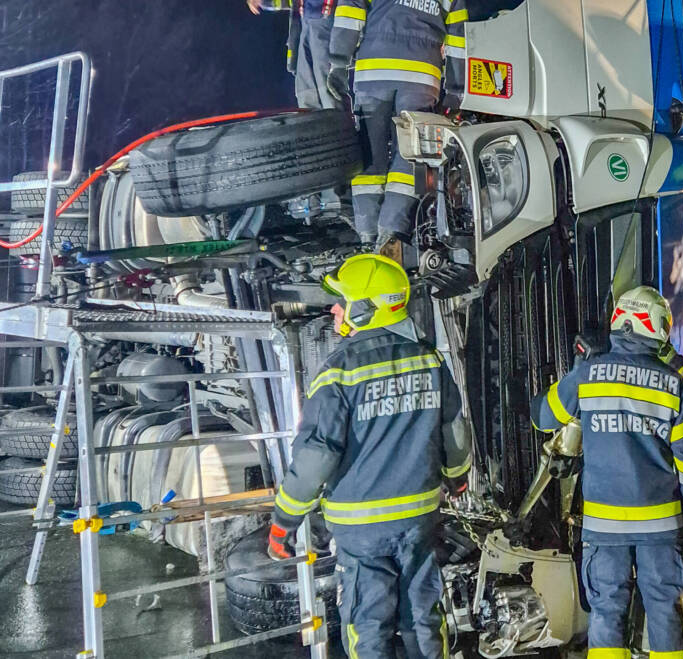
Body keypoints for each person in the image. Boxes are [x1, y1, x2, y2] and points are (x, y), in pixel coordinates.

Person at [267, 253, 472, 658]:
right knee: (424, 618)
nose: (334, 309)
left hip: (361, 530)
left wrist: (284, 522)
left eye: (342, 301)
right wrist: (457, 476)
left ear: (364, 310)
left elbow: (316, 458)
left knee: (368, 625)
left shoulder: (338, 373)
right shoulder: (429, 360)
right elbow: (454, 431)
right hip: (419, 519)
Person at [531, 286, 683, 659]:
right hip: (660, 528)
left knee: (607, 614)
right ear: (658, 328)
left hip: (604, 527)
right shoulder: (673, 385)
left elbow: (543, 417)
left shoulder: (589, 375)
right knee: (665, 611)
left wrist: (577, 372)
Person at [328, 0, 468, 249]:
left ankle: (367, 232)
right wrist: (456, 90)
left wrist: (339, 62)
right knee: (412, 153)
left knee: (370, 152)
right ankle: (392, 230)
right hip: (422, 76)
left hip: (374, 70)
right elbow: (460, 38)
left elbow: (350, 12)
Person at [247, 0, 339, 110]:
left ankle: (337, 122)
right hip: (305, 23)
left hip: (326, 21)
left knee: (327, 87)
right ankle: (311, 123)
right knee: (306, 89)